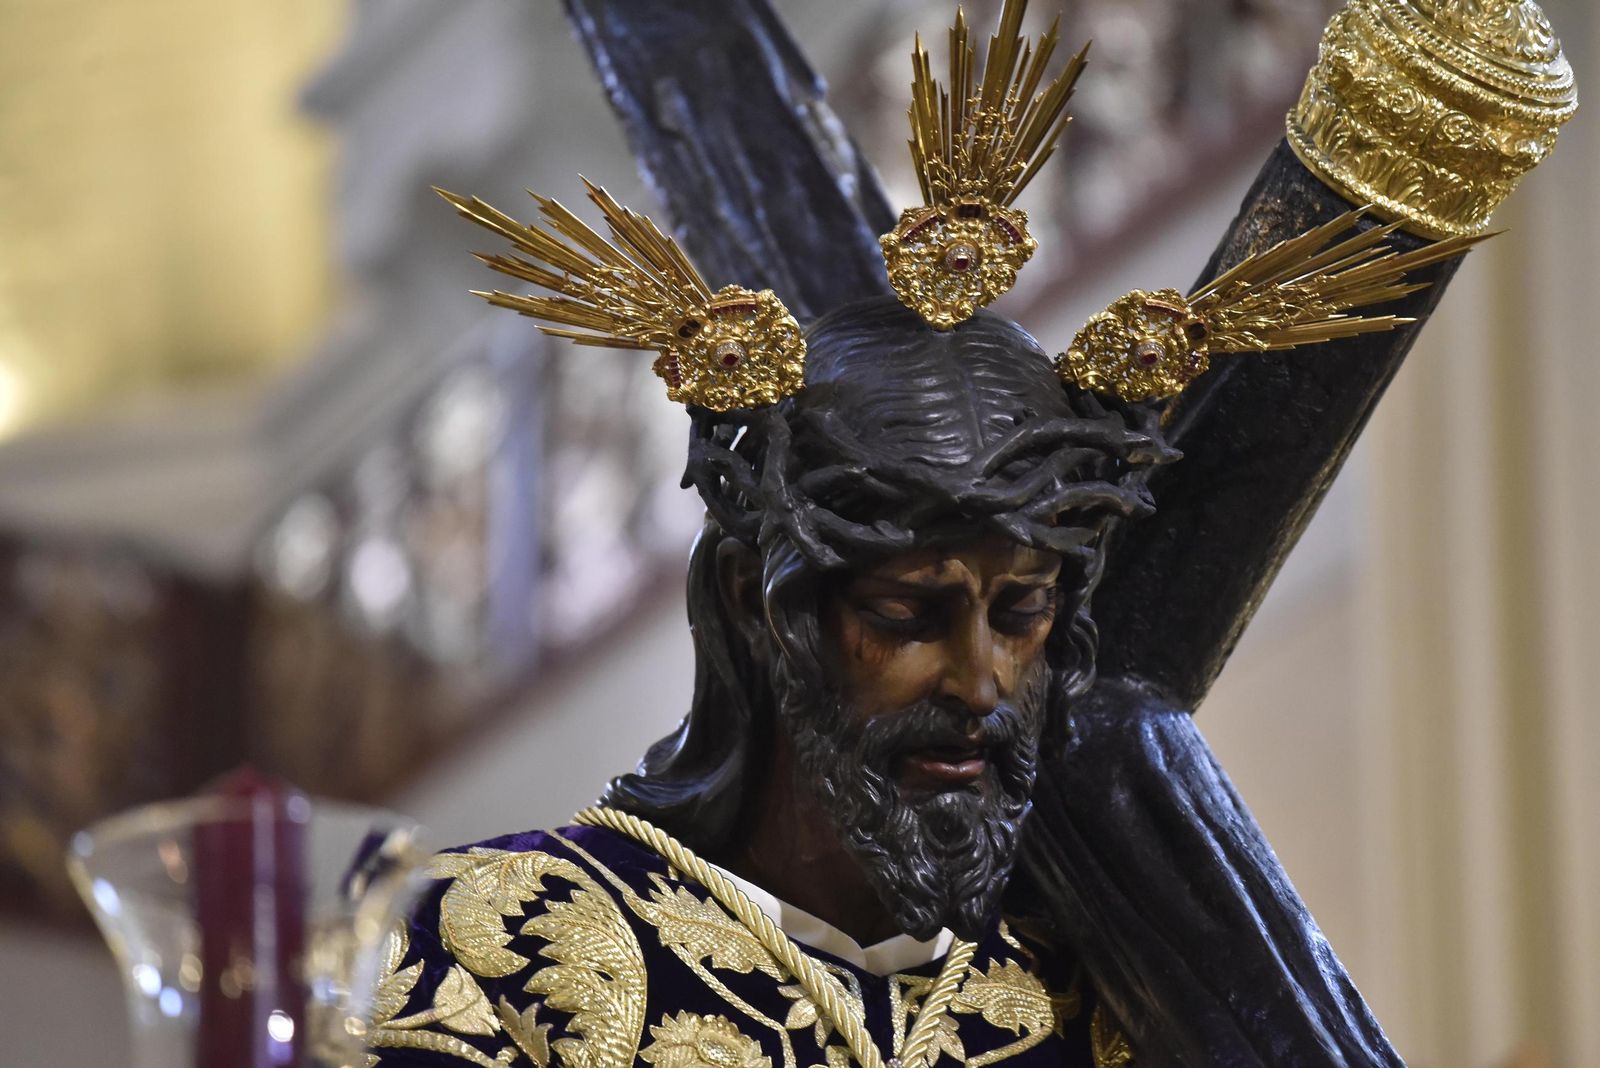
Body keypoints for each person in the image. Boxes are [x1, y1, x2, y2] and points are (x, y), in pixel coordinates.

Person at [368, 1, 1574, 1065]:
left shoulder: (1092, 993)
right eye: (909, 615)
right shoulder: (507, 942)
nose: (984, 681)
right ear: (755, 604)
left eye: (1024, 612)